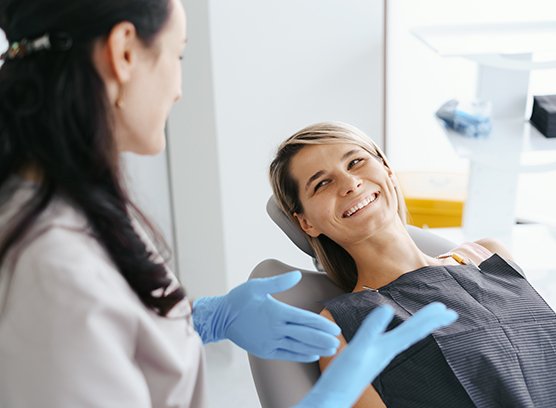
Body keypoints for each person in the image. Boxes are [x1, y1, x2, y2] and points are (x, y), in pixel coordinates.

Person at [0, 1, 458, 407]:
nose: (178, 89)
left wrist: (199, 319)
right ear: (124, 52)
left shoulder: (71, 205)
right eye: (178, 55)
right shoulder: (53, 271)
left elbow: (103, 335)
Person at [269, 121, 556, 408]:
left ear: (388, 170)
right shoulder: (345, 324)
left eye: (355, 162)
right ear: (306, 223)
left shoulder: (488, 257)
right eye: (322, 183)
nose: (349, 184)